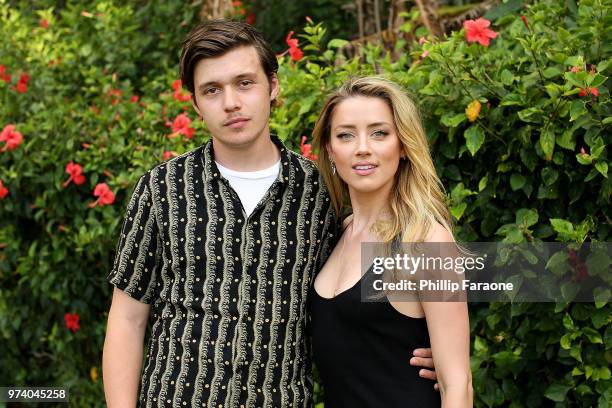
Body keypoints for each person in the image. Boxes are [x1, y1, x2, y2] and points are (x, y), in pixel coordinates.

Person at [102, 20, 438, 407]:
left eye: (245, 83)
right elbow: (127, 320)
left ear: (272, 86)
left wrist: (434, 355)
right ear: (195, 103)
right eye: (212, 90)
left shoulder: (320, 191)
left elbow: (351, 298)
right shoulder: (161, 189)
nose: (231, 102)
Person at [311, 76, 472, 407]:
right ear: (330, 149)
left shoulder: (425, 241)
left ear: (403, 146)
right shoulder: (337, 233)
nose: (362, 148)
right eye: (345, 135)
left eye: (379, 133)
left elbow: (458, 384)